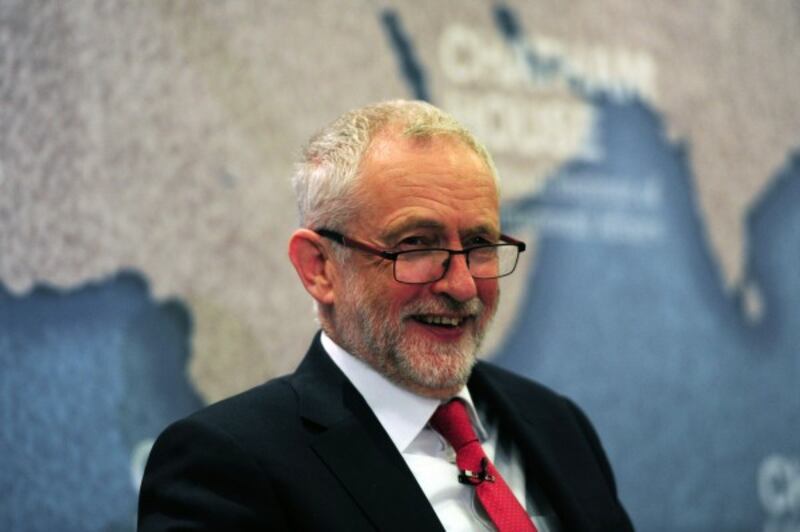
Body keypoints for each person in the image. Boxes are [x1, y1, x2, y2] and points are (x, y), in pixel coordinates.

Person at [138, 100, 634, 531]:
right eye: (415, 245)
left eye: (481, 244)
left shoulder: (557, 424)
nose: (461, 286)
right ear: (320, 269)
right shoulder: (226, 466)